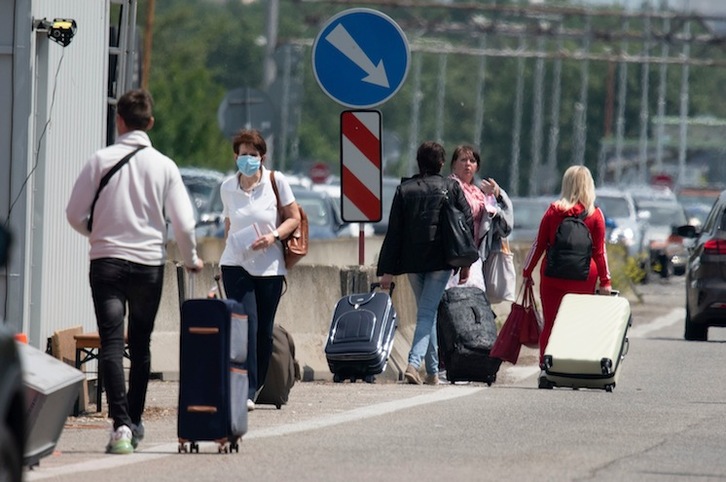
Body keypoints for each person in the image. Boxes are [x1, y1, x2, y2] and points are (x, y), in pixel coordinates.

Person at [66, 89, 204, 455]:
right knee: (140, 344)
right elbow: (185, 225)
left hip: (107, 262)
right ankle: (136, 421)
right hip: (147, 265)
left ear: (119, 121)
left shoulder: (99, 160)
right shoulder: (164, 165)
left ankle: (120, 426)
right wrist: (190, 258)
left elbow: (74, 213)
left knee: (112, 342)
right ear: (151, 122)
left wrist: (97, 234)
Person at [377, 141, 473, 386]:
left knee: (425, 313)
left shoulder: (404, 190)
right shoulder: (451, 187)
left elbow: (394, 233)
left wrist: (387, 270)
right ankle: (413, 363)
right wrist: (466, 263)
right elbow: (466, 225)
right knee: (427, 313)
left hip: (412, 262)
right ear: (442, 163)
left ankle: (431, 372)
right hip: (441, 260)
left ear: (418, 163)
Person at [218, 129, 300, 411]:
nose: (248, 159)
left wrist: (274, 236)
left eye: (253, 155)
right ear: (235, 157)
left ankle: (258, 382)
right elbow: (229, 223)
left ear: (262, 156)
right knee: (247, 324)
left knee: (264, 331)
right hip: (236, 264)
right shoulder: (228, 187)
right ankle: (247, 389)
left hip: (270, 266)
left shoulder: (276, 182)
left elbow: (294, 218)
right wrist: (225, 253)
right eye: (243, 155)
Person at [521, 165, 612, 378]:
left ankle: (546, 368)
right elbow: (600, 252)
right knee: (578, 324)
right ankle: (574, 368)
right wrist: (605, 281)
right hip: (583, 276)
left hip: (553, 275)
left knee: (551, 323)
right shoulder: (595, 215)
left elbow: (539, 244)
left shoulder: (554, 211)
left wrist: (527, 272)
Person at [447, 145, 513, 291]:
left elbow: (505, 223)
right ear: (453, 164)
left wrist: (495, 195)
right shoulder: (450, 187)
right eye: (463, 160)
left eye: (472, 160)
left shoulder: (478, 191)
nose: (468, 164)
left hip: (476, 254)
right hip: (455, 255)